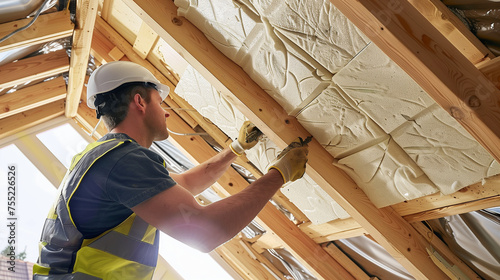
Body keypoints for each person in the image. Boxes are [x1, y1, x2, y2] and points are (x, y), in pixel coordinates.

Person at [33, 61, 309, 280]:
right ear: (140, 102)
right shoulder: (120, 160)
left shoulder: (106, 157)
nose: (165, 113)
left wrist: (236, 148)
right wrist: (279, 173)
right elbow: (205, 233)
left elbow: (185, 184)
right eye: (159, 102)